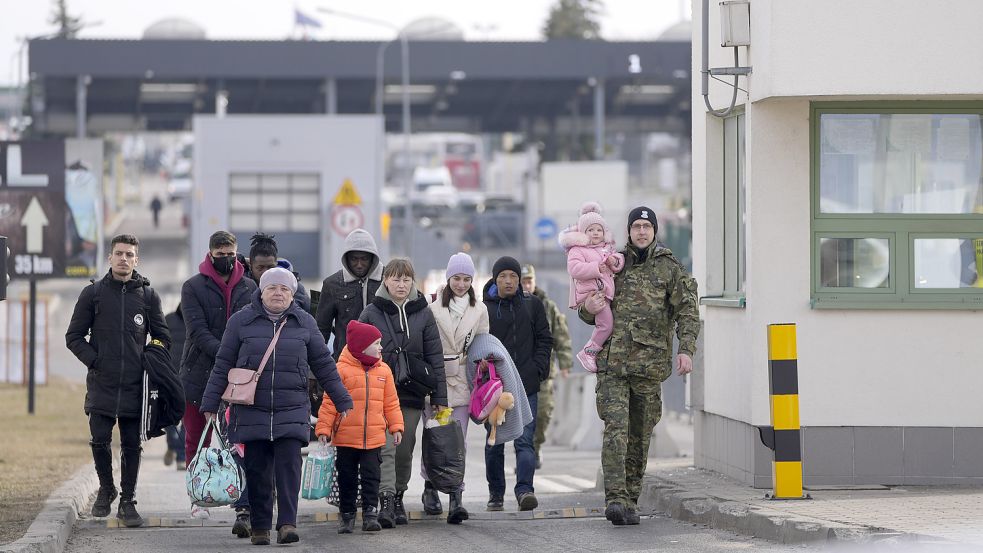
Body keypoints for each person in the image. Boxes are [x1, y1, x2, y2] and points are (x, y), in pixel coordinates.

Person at [201, 268, 353, 546]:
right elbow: (222, 364)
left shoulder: (304, 322)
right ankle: (260, 527)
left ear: (292, 294)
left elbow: (324, 364)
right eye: (272, 288)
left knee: (289, 469)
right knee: (257, 471)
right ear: (262, 291)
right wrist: (210, 403)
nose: (278, 293)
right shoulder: (240, 322)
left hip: (291, 408)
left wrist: (342, 398)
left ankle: (287, 524)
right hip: (251, 409)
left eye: (284, 289)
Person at [579, 206, 700, 526]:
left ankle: (630, 498)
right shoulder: (613, 262)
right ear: (629, 231)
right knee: (616, 430)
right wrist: (588, 310)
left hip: (649, 366)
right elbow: (588, 304)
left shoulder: (670, 269)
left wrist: (686, 350)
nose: (642, 232)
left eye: (647, 226)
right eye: (636, 227)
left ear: (655, 231)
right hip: (613, 364)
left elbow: (688, 311)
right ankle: (615, 498)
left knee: (640, 434)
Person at [66, 234, 170, 528]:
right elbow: (73, 337)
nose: (124, 259)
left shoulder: (148, 297)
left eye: (129, 255)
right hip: (102, 382)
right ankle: (106, 488)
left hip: (135, 386)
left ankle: (127, 501)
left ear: (137, 260)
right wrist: (95, 360)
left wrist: (149, 358)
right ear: (109, 258)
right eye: (119, 253)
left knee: (131, 445)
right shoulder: (93, 294)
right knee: (99, 439)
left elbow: (164, 337)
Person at [358, 258, 447, 528]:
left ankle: (398, 495)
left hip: (411, 392)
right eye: (396, 279)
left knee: (404, 447)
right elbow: (356, 352)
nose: (401, 284)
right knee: (385, 447)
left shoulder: (423, 312)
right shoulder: (371, 312)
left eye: (406, 279)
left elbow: (435, 357)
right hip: (378, 391)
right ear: (385, 280)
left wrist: (440, 399)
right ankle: (384, 501)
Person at [179, 231, 256, 528]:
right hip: (199, 372)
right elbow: (196, 331)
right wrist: (226, 354)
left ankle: (240, 497)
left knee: (238, 440)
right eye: (220, 253)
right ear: (210, 254)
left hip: (239, 375)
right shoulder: (193, 287)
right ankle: (198, 496)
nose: (226, 258)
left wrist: (236, 358)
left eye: (230, 253)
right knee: (197, 437)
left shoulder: (249, 286)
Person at [315, 320, 404, 534]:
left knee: (371, 477)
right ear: (362, 346)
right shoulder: (341, 370)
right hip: (346, 437)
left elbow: (391, 402)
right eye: (377, 343)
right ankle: (347, 515)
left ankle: (370, 514)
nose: (381, 347)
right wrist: (323, 429)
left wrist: (396, 426)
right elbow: (329, 402)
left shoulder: (384, 370)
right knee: (347, 478)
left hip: (373, 437)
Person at [481, 256, 552, 512]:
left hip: (526, 385)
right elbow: (477, 345)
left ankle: (525, 491)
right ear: (495, 279)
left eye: (513, 276)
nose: (508, 281)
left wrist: (538, 369)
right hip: (494, 389)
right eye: (503, 277)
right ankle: (496, 494)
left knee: (524, 441)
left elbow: (545, 339)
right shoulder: (485, 309)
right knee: (494, 442)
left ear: (520, 280)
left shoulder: (532, 305)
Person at [424, 252, 489, 524]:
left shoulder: (480, 310)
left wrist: (484, 368)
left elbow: (484, 344)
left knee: (459, 441)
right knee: (436, 437)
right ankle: (429, 489)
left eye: (466, 279)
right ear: (448, 278)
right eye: (456, 278)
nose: (461, 284)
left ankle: (456, 497)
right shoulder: (433, 308)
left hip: (462, 380)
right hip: (437, 382)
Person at [561, 202, 625, 373]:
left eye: (599, 230)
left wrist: (615, 261)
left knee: (607, 323)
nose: (595, 233)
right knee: (606, 325)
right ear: (583, 233)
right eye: (590, 230)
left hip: (604, 293)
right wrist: (596, 267)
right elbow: (574, 269)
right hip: (592, 295)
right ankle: (588, 352)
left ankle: (591, 351)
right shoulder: (577, 250)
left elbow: (617, 261)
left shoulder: (605, 249)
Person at [519, 264, 572, 469]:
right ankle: (524, 456)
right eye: (523, 281)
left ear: (534, 282)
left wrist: (565, 362)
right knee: (523, 418)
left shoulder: (547, 306)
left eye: (529, 280)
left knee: (543, 413)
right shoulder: (512, 304)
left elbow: (560, 334)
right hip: (519, 371)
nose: (526, 284)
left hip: (543, 371)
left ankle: (536, 446)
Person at [316, 229, 383, 359]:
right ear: (346, 259)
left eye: (364, 259)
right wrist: (316, 368)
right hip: (345, 360)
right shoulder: (332, 284)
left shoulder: (387, 280)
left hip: (382, 360)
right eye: (354, 259)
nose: (359, 264)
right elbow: (321, 329)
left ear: (372, 258)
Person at [245, 232, 312, 314]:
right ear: (250, 266)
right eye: (260, 268)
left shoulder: (294, 287)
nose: (266, 272)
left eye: (270, 267)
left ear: (276, 264)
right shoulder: (242, 286)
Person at [163, 304, 186, 470]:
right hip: (171, 376)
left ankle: (179, 452)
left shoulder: (169, 318)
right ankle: (175, 449)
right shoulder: (168, 320)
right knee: (172, 417)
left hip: (185, 377)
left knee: (182, 418)